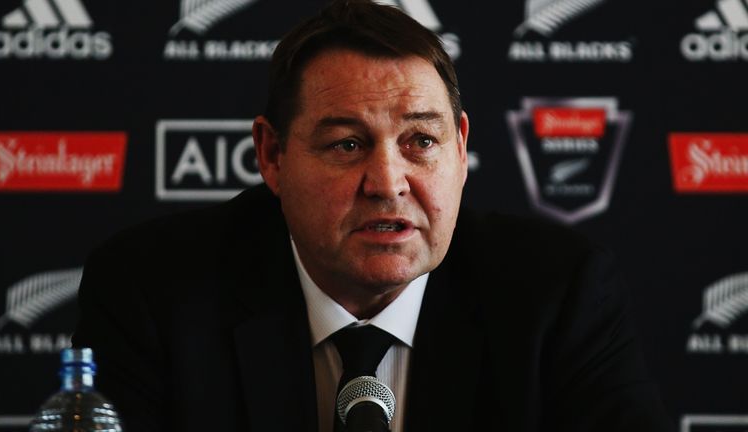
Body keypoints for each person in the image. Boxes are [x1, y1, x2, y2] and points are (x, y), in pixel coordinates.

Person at [72, 0, 671, 431]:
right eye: (347, 145)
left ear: (460, 149)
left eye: (421, 141)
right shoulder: (152, 292)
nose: (387, 183)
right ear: (273, 156)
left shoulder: (557, 293)